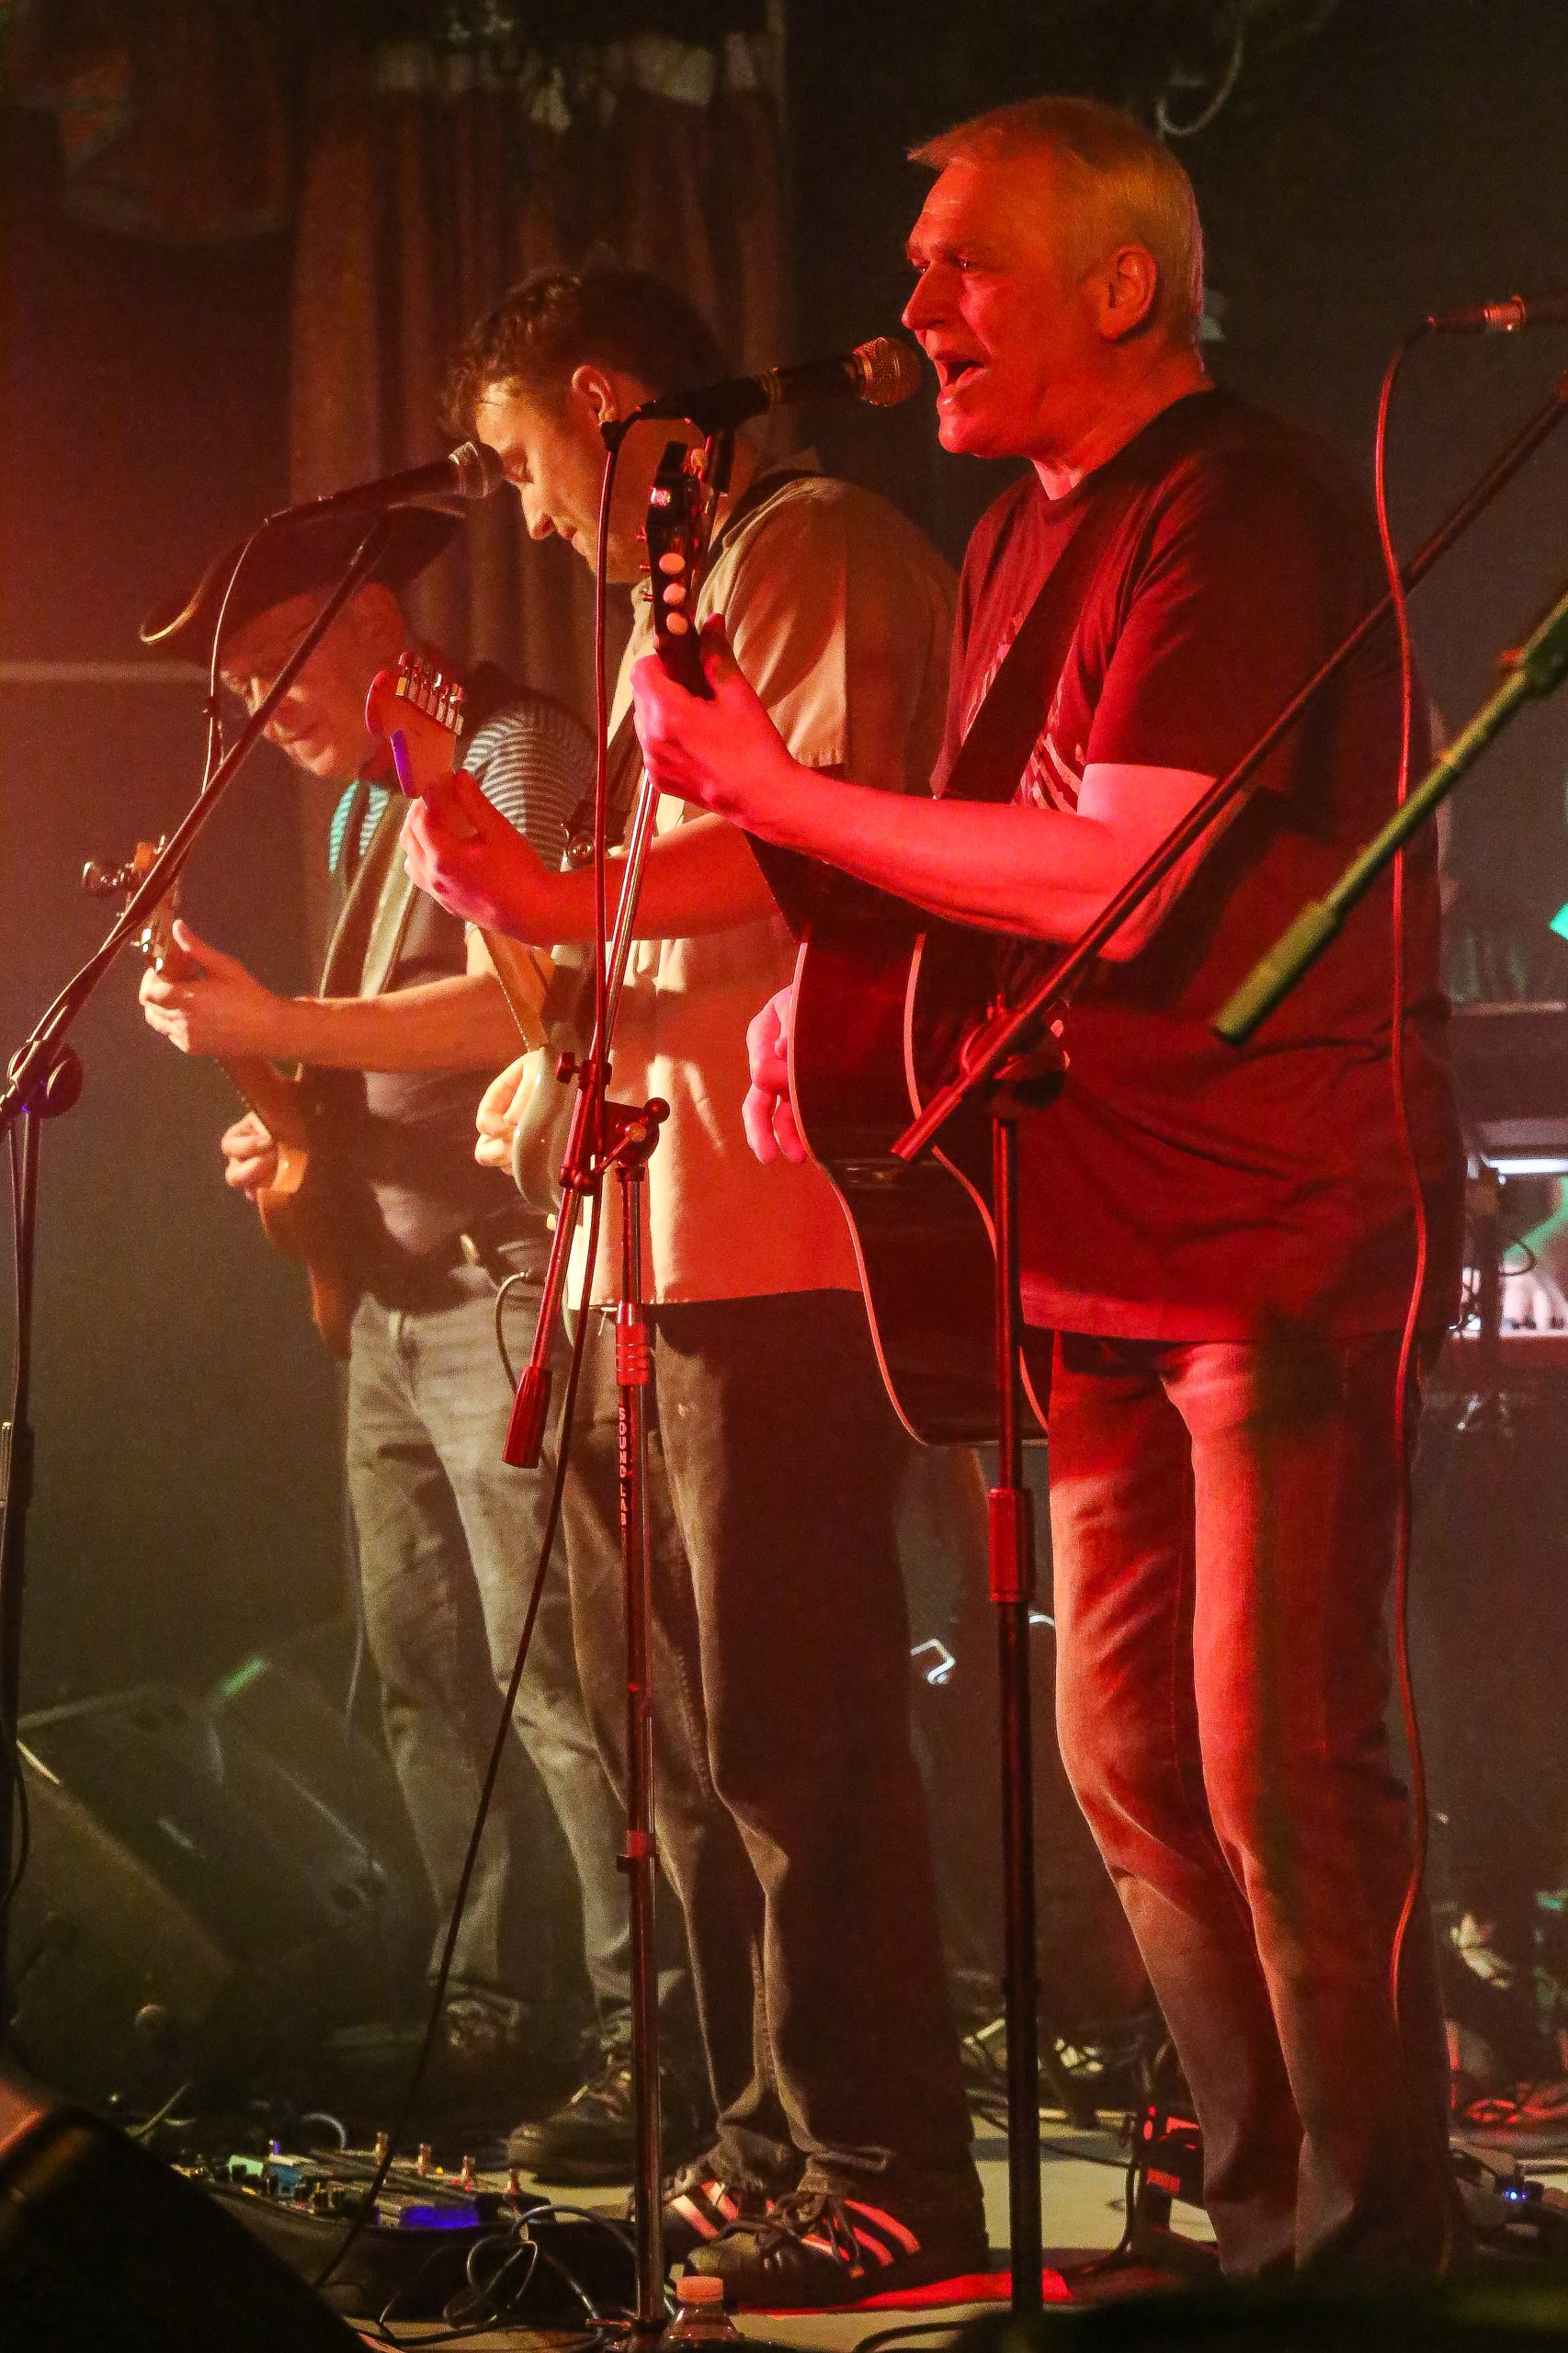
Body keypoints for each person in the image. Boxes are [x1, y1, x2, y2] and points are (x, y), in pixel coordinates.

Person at [623, 100, 1469, 2278]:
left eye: (962, 264)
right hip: (1093, 1222)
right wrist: (816, 1004)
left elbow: (1124, 866)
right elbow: (986, 867)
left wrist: (771, 787)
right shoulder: (1017, 534)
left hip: (1277, 1224)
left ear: (1121, 286)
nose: (913, 306)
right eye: (916, 264)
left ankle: (1372, 2249)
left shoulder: (1240, 505)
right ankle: (1266, 2224)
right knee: (1126, 1760)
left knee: (1272, 1760)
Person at [404, 265, 987, 2301]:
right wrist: (541, 974)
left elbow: (819, 842)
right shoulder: (693, 588)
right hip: (655, 1242)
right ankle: (768, 2132)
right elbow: (642, 938)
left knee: (791, 1729)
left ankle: (888, 2166)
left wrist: (552, 888)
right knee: (686, 1745)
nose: (525, 506)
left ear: (600, 400)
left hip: (776, 1236)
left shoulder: (810, 549)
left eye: (520, 461)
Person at [135, 513, 646, 2130]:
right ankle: (496, 2008)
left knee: (557, 1685)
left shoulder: (507, 750)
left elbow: (529, 994)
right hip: (396, 1301)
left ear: (367, 619)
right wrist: (295, 1123)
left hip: (502, 1284)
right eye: (233, 691)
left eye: (269, 670)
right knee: (430, 1680)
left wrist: (278, 1019)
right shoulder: (371, 796)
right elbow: (386, 1052)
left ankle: (647, 2044)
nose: (255, 712)